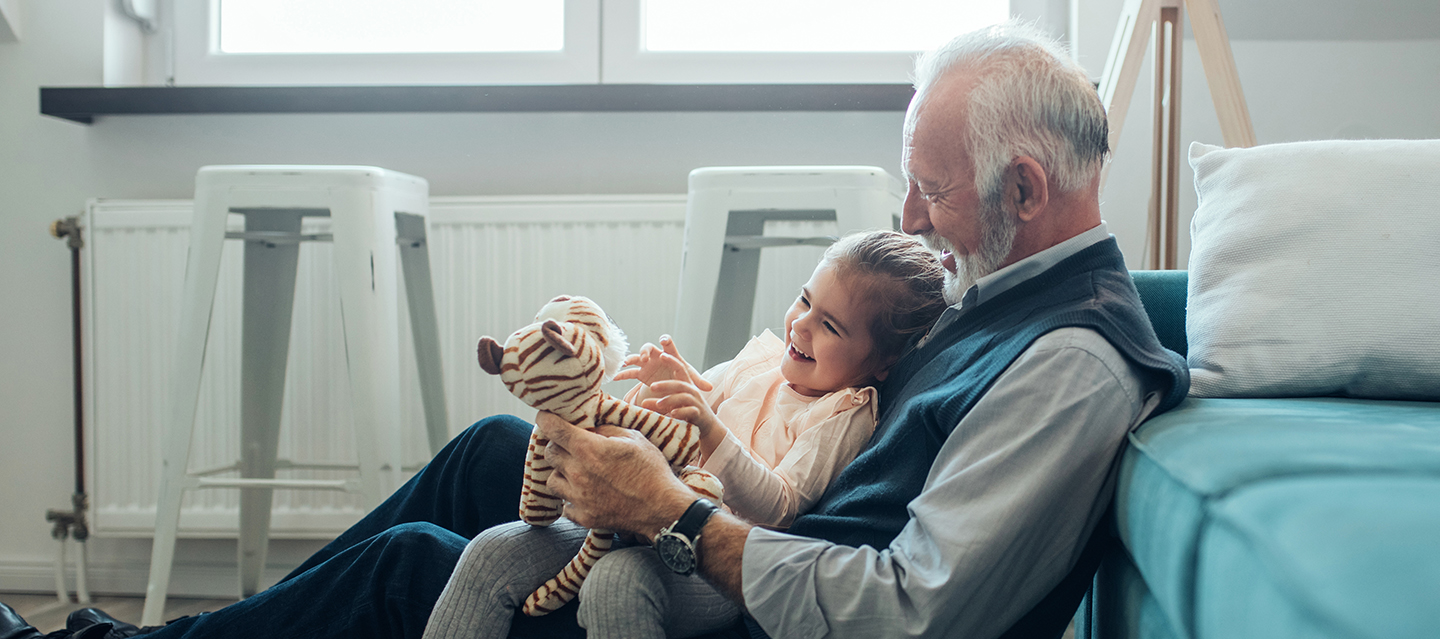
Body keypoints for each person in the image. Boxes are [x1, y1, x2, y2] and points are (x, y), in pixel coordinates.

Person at [0, 20, 1189, 639]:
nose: (910, 218)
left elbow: (903, 613)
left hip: (746, 612)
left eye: (928, 191)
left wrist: (672, 511)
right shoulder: (1000, 290)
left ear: (1024, 192)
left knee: (421, 571)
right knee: (484, 457)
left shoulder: (1070, 369)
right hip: (760, 537)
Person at [422, 230, 948, 639]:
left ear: (885, 361)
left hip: (717, 560)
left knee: (618, 582)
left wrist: (709, 425)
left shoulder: (845, 412)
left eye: (831, 326)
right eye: (804, 300)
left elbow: (783, 508)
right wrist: (674, 380)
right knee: (492, 551)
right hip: (641, 519)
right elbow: (699, 403)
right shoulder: (768, 361)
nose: (801, 325)